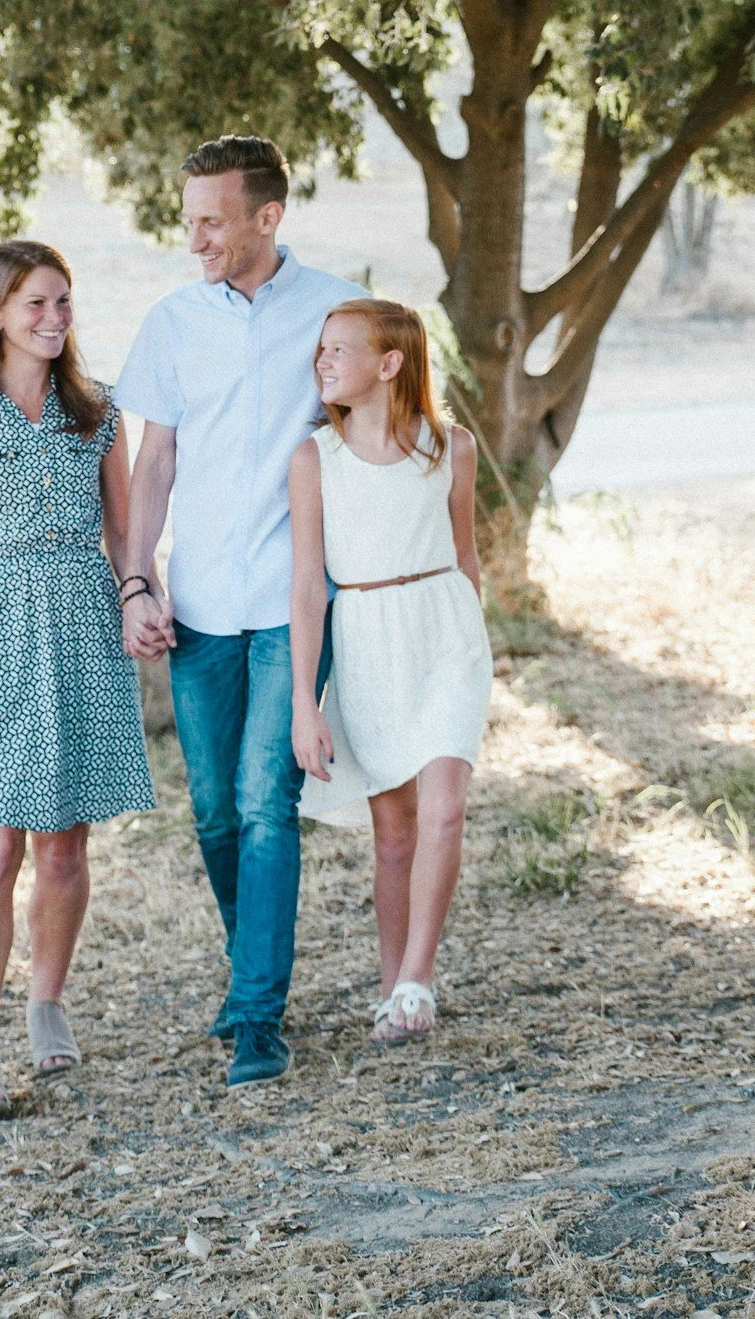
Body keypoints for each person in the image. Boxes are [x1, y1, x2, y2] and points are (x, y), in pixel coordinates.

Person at [118, 134, 356, 1087]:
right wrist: (137, 579)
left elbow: (374, 430)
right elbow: (155, 463)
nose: (196, 240)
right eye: (189, 222)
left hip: (298, 599)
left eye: (213, 221)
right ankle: (248, 969)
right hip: (202, 604)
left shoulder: (336, 310)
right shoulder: (173, 321)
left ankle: (258, 1012)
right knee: (214, 815)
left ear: (268, 217)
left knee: (266, 805)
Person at [0, 240, 154, 1116]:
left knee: (64, 845)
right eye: (34, 306)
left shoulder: (97, 412)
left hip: (84, 621)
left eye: (63, 303)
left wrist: (136, 595)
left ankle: (45, 1000)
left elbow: (127, 532)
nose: (53, 320)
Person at [289, 298, 492, 1043]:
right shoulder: (316, 459)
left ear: (389, 363)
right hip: (369, 639)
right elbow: (307, 586)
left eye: (339, 350)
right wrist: (303, 704)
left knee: (443, 809)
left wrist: (474, 644)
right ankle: (390, 985)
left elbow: (464, 555)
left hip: (444, 634)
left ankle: (416, 984)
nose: (323, 363)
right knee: (395, 833)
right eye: (321, 349)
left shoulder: (451, 447)